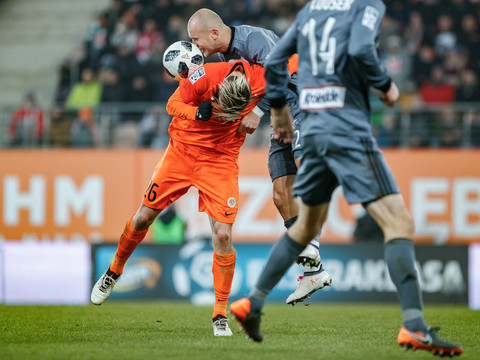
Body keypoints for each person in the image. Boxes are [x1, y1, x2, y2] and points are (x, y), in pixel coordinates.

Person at [229, 0, 463, 357]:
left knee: (305, 227)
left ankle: (253, 303)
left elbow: (275, 62)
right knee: (398, 221)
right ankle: (415, 327)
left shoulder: (311, 10)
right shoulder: (367, 5)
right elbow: (359, 47)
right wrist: (386, 85)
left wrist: (277, 114)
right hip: (347, 126)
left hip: (313, 125)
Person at [91, 57, 266, 337]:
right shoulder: (205, 76)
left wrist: (261, 111)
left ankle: (220, 314)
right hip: (181, 154)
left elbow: (288, 77)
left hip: (219, 162)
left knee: (222, 236)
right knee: (143, 218)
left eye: (230, 116)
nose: (224, 117)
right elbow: (171, 105)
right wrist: (197, 113)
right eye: (221, 111)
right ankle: (113, 271)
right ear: (218, 91)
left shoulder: (259, 80)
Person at [187, 8, 332, 306]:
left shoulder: (254, 38)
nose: (195, 45)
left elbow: (278, 74)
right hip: (281, 117)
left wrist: (257, 110)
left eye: (196, 39)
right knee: (281, 194)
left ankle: (311, 244)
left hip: (303, 102)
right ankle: (313, 272)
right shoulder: (223, 58)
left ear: (214, 33)